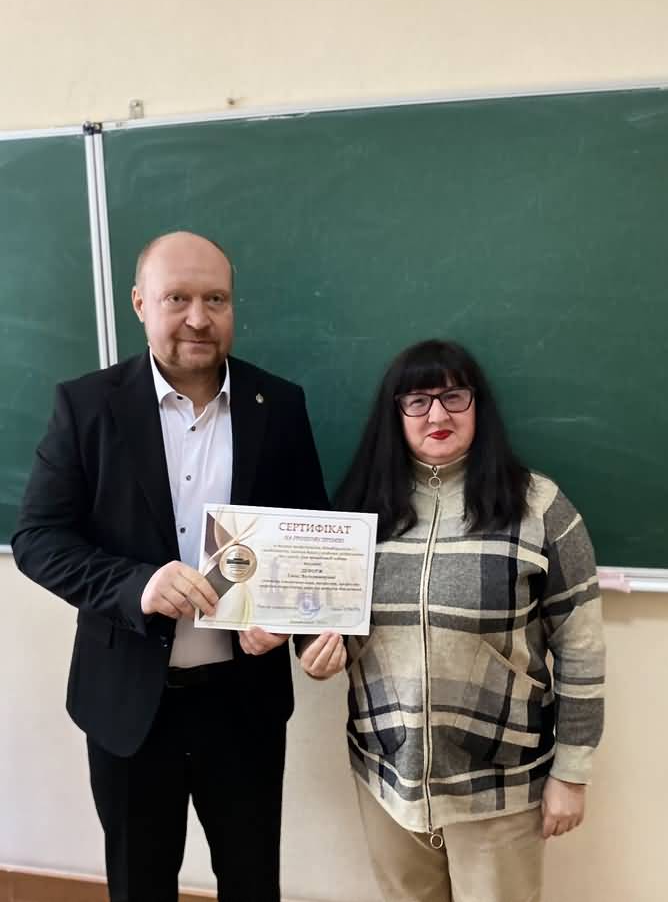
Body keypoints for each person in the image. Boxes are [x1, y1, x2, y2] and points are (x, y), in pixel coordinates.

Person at [12, 231, 329, 902]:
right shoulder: (87, 405)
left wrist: (293, 625)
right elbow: (38, 539)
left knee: (253, 884)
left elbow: (308, 541)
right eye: (177, 298)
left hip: (243, 705)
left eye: (215, 299)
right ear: (139, 303)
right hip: (129, 706)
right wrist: (138, 585)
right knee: (140, 886)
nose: (198, 318)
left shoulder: (280, 405)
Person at [302, 339, 606, 902]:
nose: (437, 415)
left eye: (453, 397)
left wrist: (572, 772)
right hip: (387, 774)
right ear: (395, 414)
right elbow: (322, 619)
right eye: (417, 401)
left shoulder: (539, 507)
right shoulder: (358, 511)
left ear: (477, 405)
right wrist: (315, 651)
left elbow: (581, 647)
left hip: (501, 781)